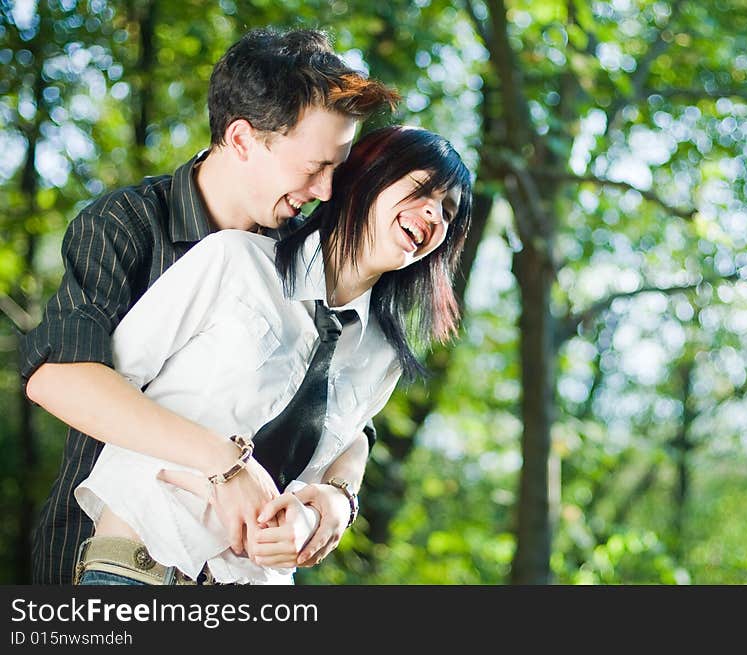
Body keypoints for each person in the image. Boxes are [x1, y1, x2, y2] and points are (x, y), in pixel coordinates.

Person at [21, 27, 398, 584]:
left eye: (337, 169)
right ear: (243, 138)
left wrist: (337, 500)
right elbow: (59, 376)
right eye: (315, 165)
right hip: (108, 559)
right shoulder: (126, 224)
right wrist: (227, 463)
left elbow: (350, 410)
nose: (325, 190)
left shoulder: (309, 251)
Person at [71, 125, 473, 584]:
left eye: (448, 211)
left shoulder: (383, 356)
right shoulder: (233, 261)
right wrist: (220, 464)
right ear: (366, 177)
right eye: (422, 190)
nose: (434, 214)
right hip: (140, 566)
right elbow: (105, 388)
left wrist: (318, 513)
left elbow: (331, 461)